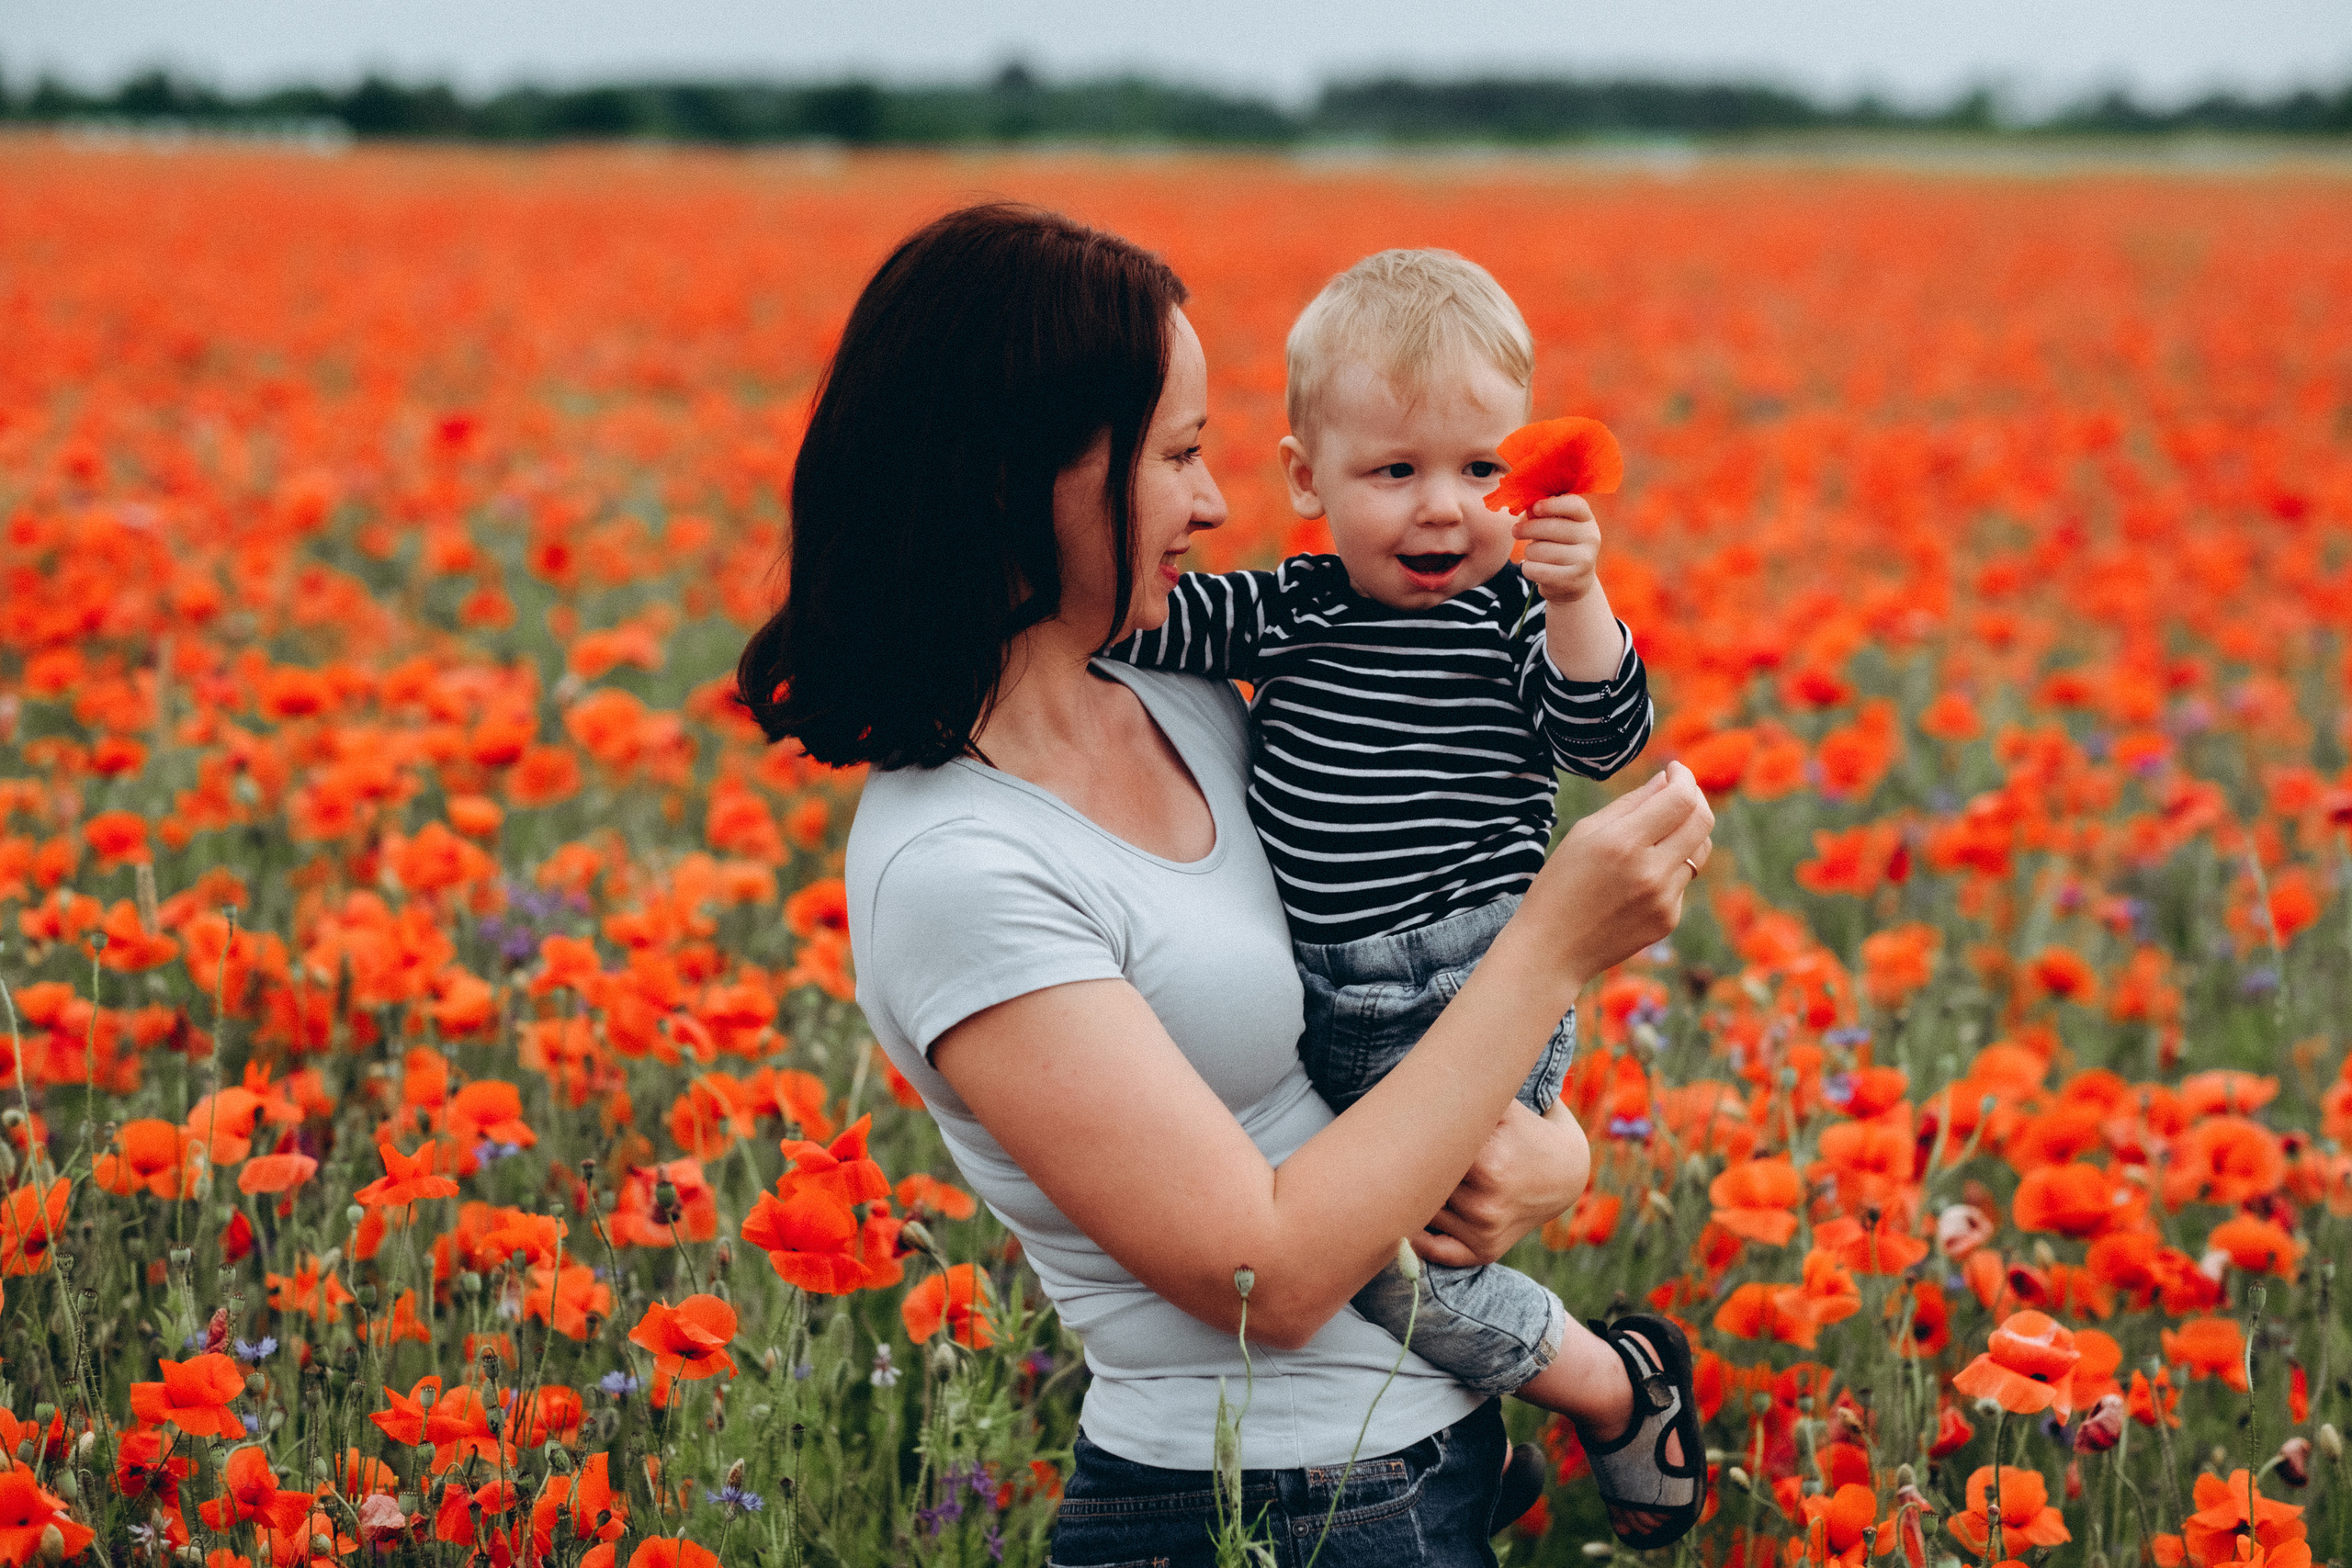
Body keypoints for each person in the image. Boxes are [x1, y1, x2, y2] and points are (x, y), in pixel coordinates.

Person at [737, 202, 1713, 1567]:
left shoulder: (1171, 695)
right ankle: (1613, 1385)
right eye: (1182, 454)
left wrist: (1550, 1152)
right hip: (1254, 1508)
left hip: (1433, 1460)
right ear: (1024, 476)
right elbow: (1269, 1273)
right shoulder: (958, 866)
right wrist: (1555, 947)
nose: (1214, 501)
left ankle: (1603, 1385)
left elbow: (1379, 994)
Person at [1102, 248, 1703, 1547]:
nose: (1443, 511)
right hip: (1330, 997)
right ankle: (1482, 1445)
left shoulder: (1510, 618)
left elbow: (1604, 736)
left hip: (1476, 983)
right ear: (1308, 481)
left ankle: (1615, 1391)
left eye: (1482, 470)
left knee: (1396, 1273)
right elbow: (1131, 629)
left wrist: (1578, 592)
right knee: (1361, 1240)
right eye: (1394, 473)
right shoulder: (1293, 609)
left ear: (1528, 475)